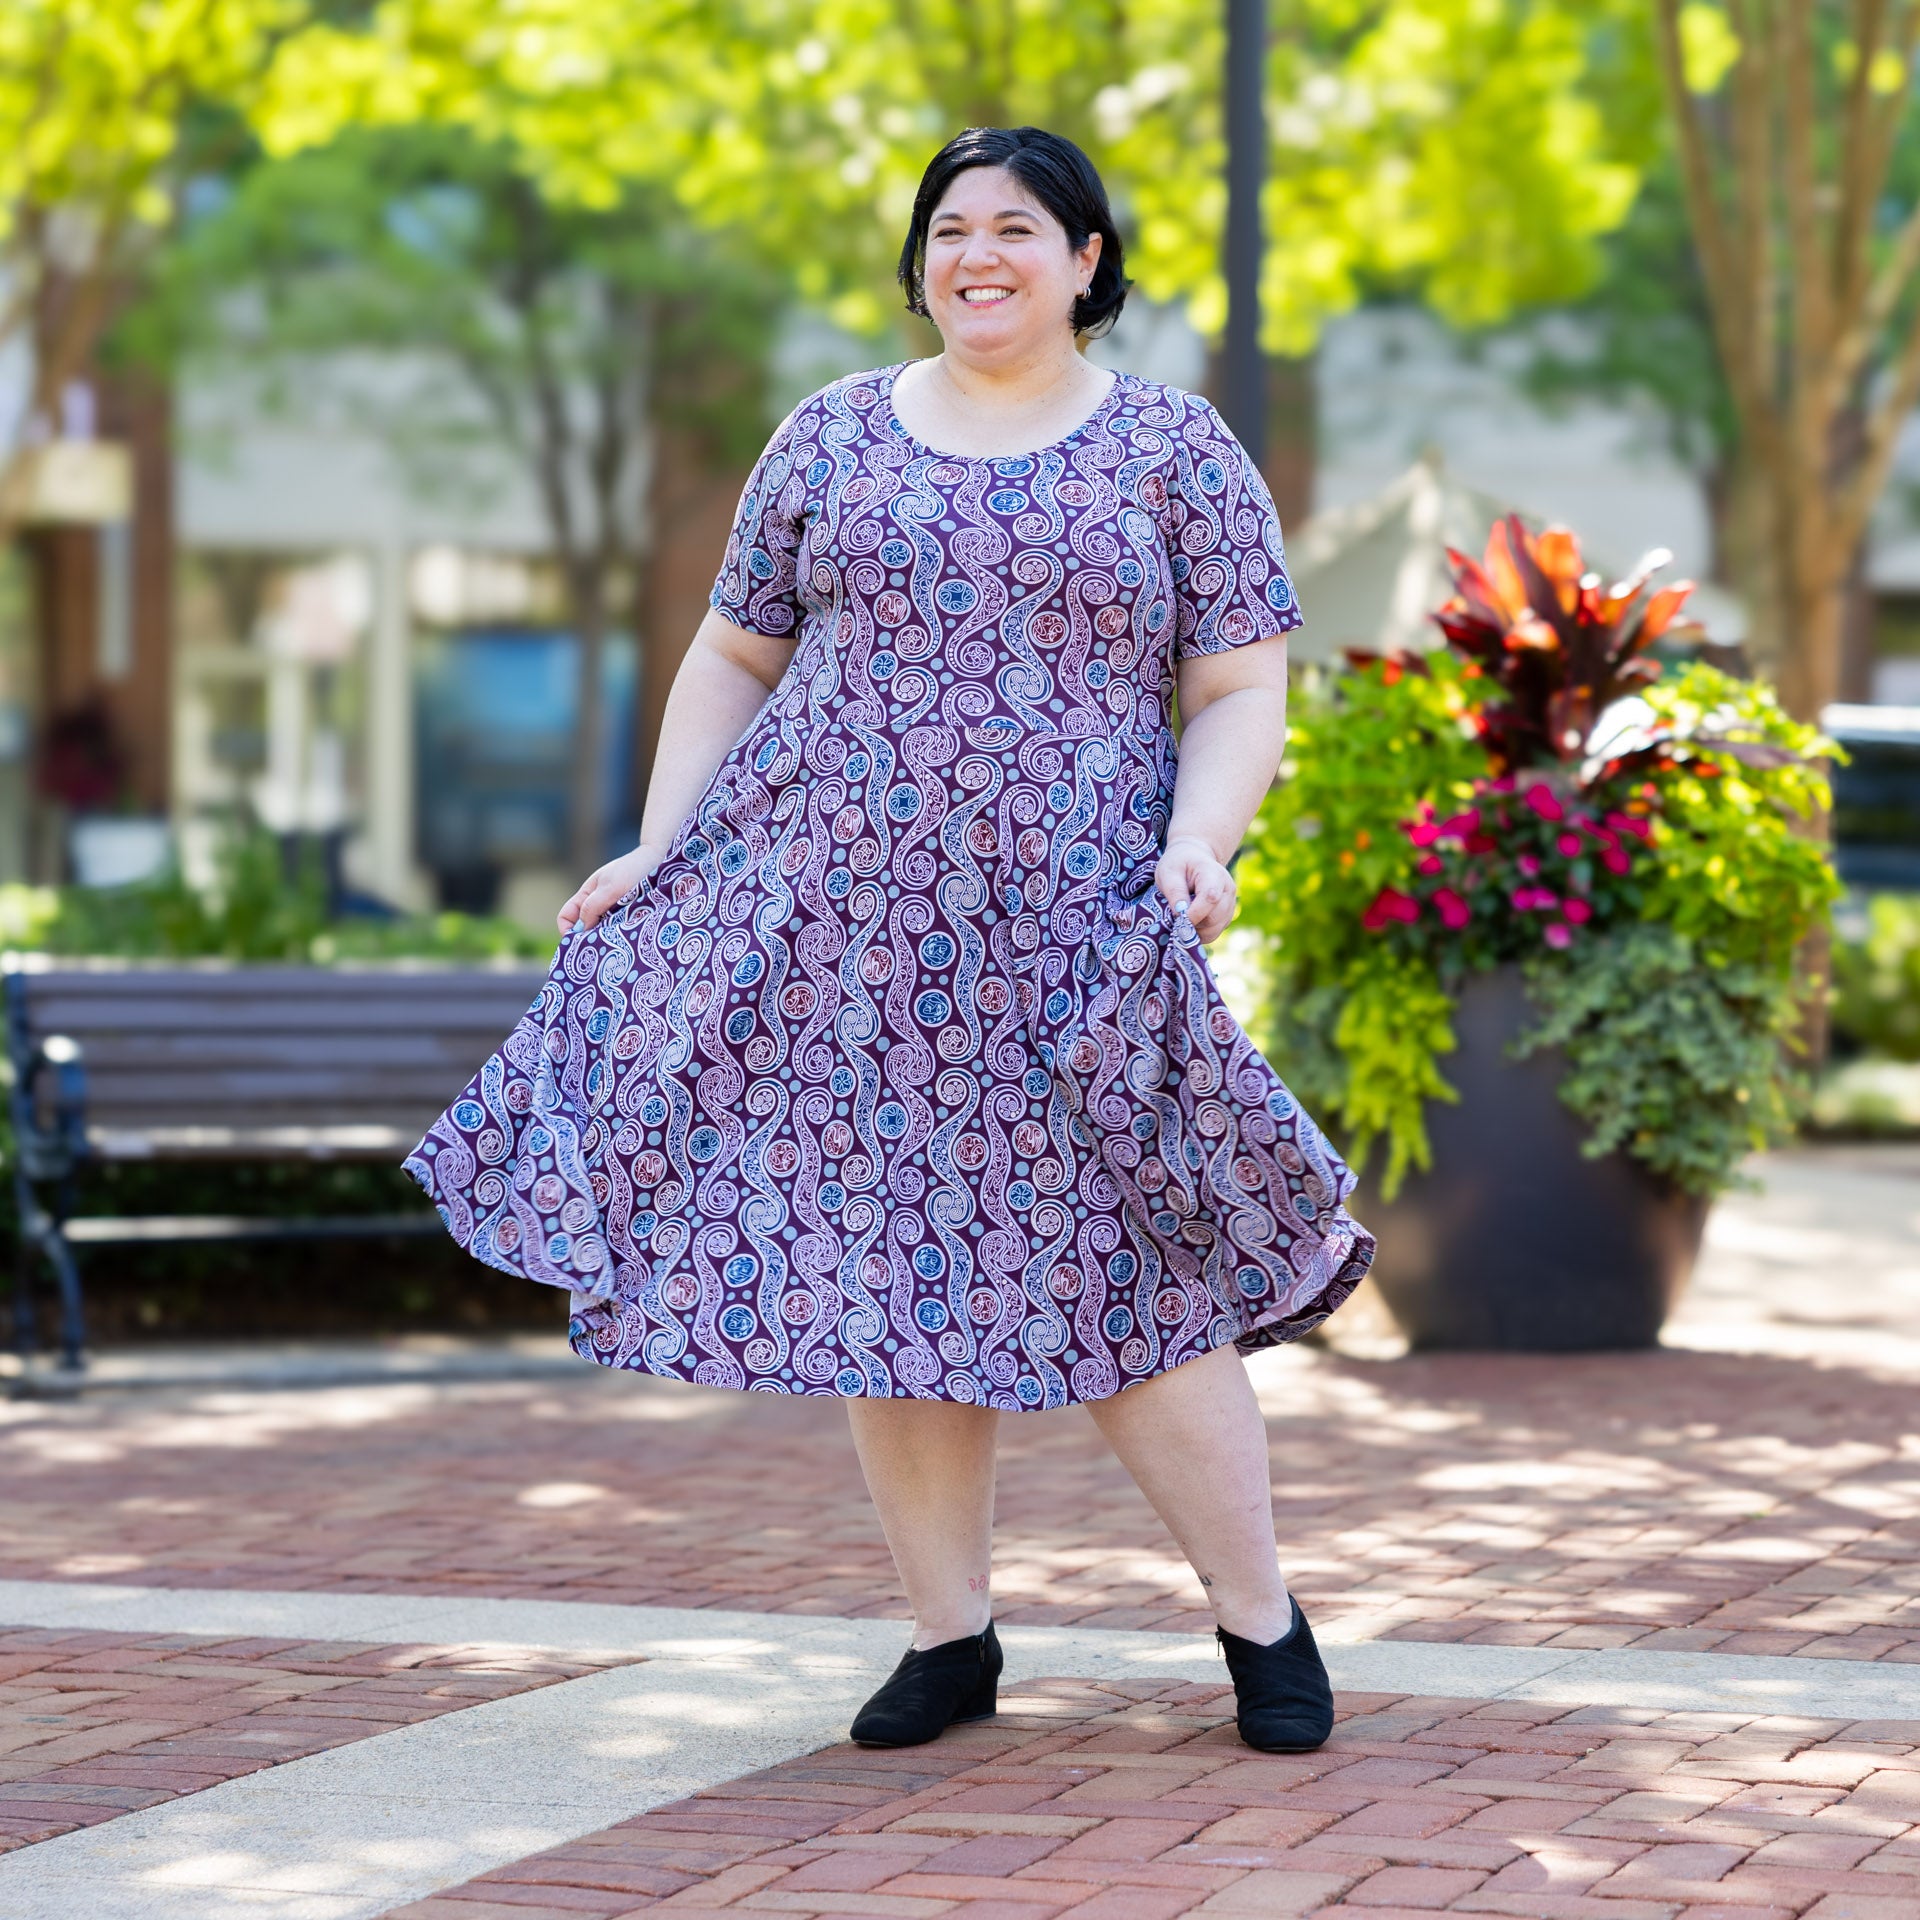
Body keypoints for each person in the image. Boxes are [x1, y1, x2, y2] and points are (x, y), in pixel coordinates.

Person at [407, 125, 1374, 1756]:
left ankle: (1261, 1621)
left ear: (1085, 260)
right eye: (946, 230)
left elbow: (1239, 684)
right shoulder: (830, 436)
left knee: (1140, 1280)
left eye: (1015, 227)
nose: (974, 254)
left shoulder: (1172, 448)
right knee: (895, 1286)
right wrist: (667, 839)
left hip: (1075, 931)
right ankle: (951, 1639)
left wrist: (1201, 841)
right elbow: (732, 654)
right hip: (839, 942)